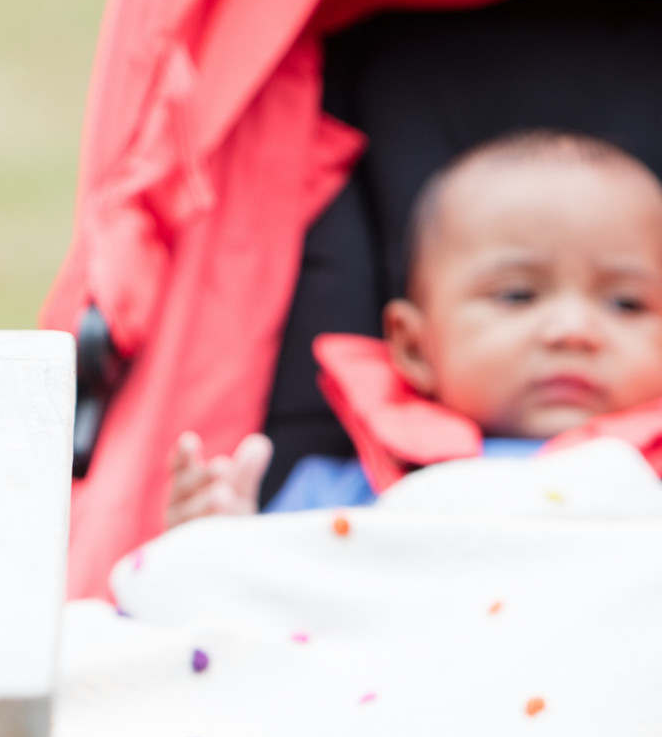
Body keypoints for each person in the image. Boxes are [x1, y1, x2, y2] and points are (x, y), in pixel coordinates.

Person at [166, 129, 662, 526]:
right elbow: (260, 605)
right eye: (518, 295)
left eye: (625, 304)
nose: (573, 330)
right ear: (413, 347)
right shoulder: (334, 496)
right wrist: (215, 542)